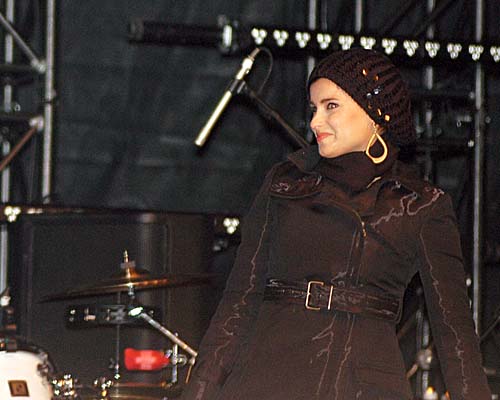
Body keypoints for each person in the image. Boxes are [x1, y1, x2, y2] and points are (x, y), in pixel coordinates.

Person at [180, 48, 492, 399]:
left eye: (331, 106)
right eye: (314, 108)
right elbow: (237, 303)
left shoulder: (420, 205)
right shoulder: (286, 182)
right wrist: (199, 393)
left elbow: (455, 332)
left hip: (363, 385)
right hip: (268, 377)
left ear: (376, 114)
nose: (314, 122)